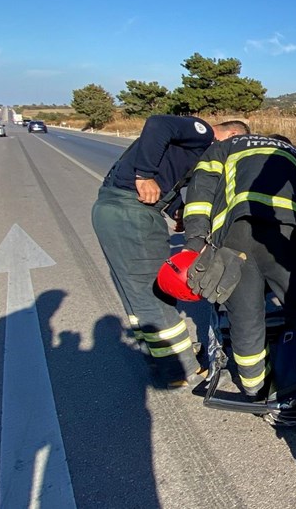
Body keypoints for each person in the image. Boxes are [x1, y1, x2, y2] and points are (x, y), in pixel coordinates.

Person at [182, 129, 296, 425]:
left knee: (245, 318)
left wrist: (195, 241)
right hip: (290, 238)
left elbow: (199, 193)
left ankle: (256, 391)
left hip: (237, 237)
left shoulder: (227, 147)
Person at [92, 115, 245, 388]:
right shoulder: (202, 134)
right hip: (130, 212)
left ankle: (165, 360)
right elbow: (158, 124)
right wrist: (144, 176)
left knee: (139, 292)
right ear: (229, 136)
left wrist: (175, 206)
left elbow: (169, 175)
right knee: (154, 293)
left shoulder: (192, 152)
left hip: (119, 211)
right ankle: (180, 367)